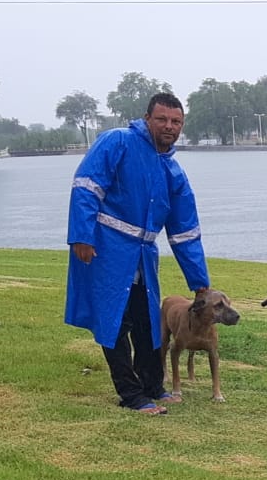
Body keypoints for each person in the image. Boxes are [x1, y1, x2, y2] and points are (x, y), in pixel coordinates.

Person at [65, 92, 211, 415]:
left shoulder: (173, 172)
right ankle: (131, 394)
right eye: (162, 119)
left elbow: (186, 231)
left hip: (143, 256)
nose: (169, 127)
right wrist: (82, 236)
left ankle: (152, 385)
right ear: (147, 118)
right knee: (114, 322)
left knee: (148, 322)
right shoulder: (117, 142)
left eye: (176, 122)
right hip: (105, 251)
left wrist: (199, 281)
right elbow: (86, 186)